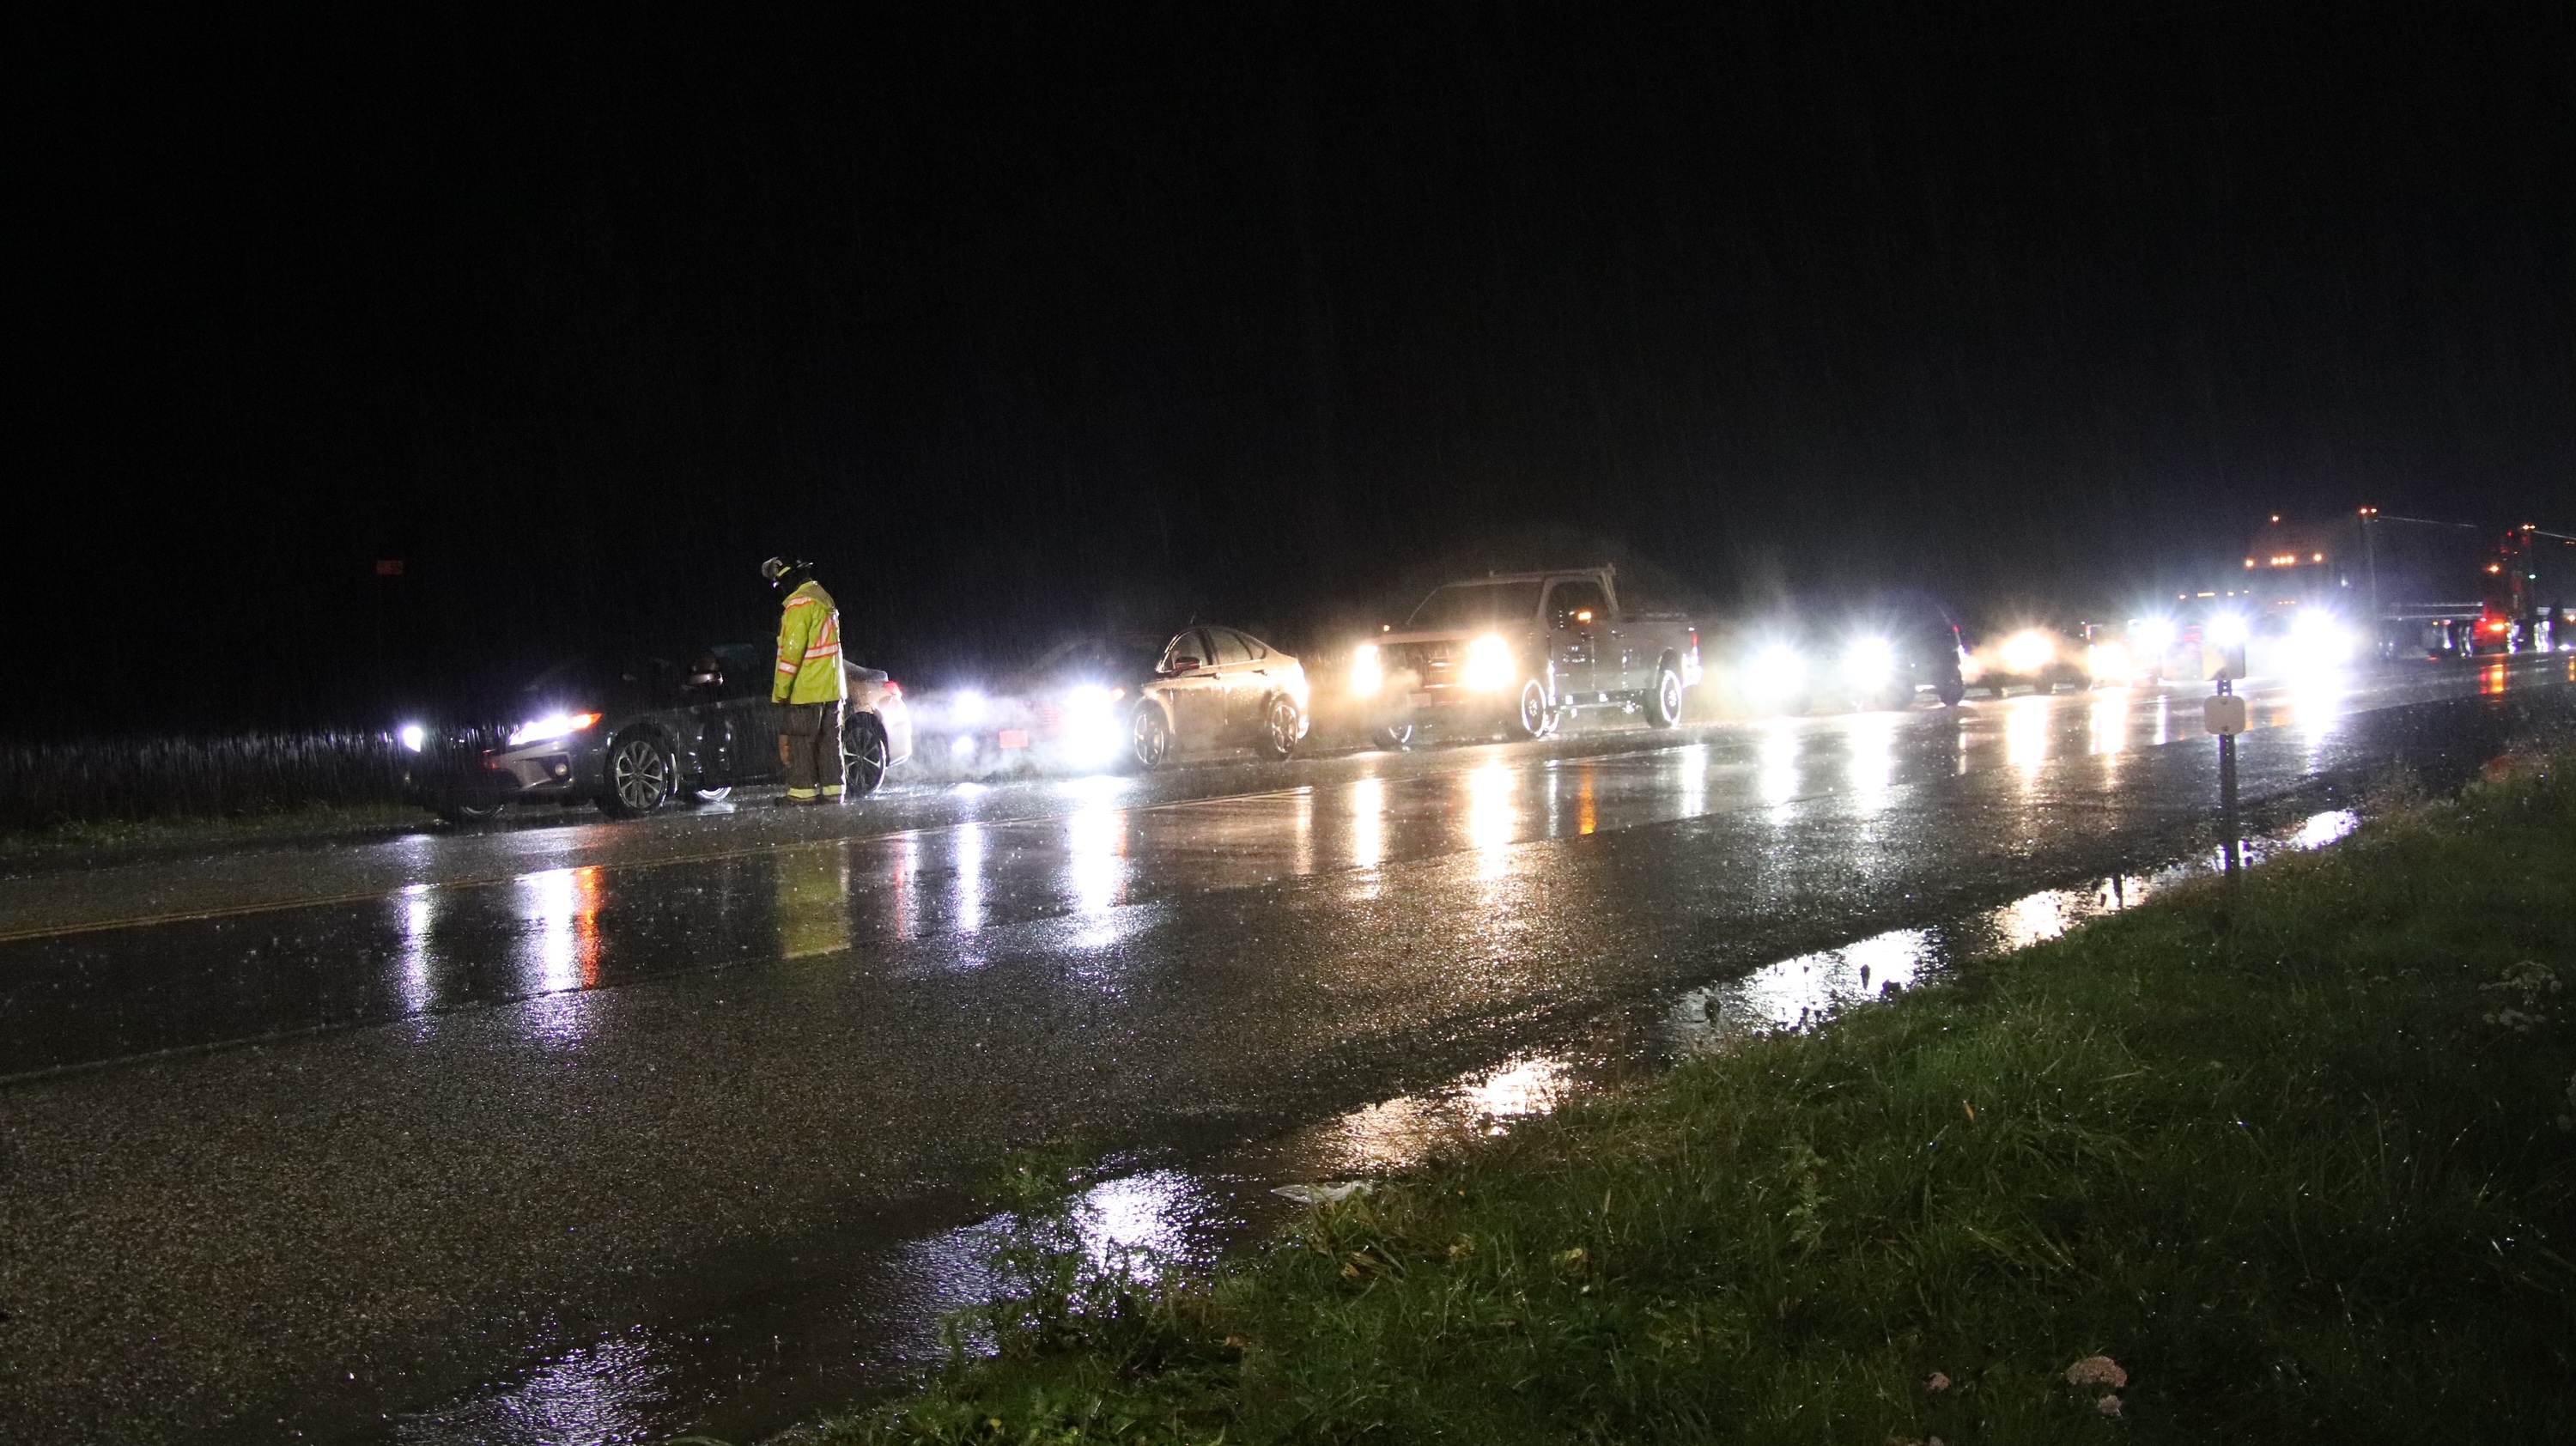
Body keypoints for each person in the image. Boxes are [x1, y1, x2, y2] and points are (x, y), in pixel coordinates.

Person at [761, 556, 848, 804]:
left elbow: (791, 655)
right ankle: (834, 791)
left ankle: (802, 794)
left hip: (806, 689)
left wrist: (781, 692)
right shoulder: (824, 599)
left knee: (801, 743)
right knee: (830, 742)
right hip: (832, 690)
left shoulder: (799, 605)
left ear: (789, 579)